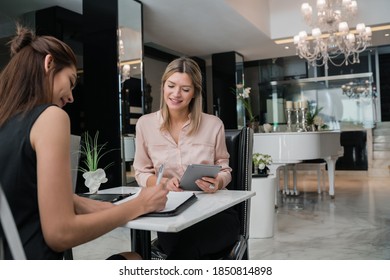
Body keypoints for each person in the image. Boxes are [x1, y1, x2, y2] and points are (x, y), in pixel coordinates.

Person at [0, 25, 168, 260]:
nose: (70, 97)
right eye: (70, 81)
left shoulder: (6, 121)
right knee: (137, 260)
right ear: (49, 64)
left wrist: (81, 202)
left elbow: (23, 193)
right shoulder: (50, 117)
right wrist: (139, 205)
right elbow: (60, 233)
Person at [133, 57, 240, 259]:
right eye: (171, 86)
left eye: (185, 89)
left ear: (195, 93)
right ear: (163, 85)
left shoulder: (213, 124)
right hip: (172, 212)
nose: (176, 94)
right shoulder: (145, 125)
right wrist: (163, 182)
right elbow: (141, 171)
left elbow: (225, 169)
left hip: (214, 212)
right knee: (180, 241)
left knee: (185, 248)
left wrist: (217, 182)